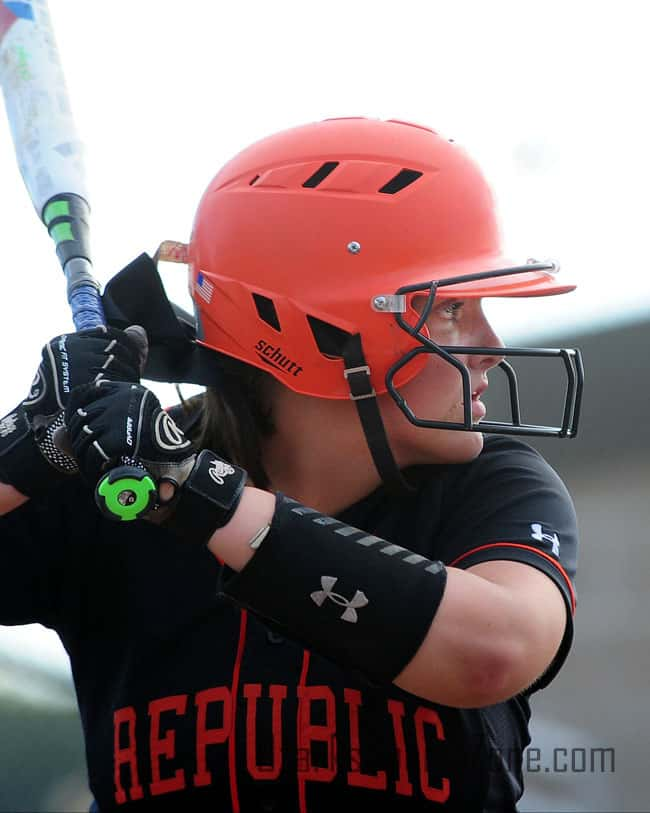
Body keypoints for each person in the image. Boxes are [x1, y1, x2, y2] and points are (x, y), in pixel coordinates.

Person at [0, 117, 583, 812]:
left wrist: (196, 490)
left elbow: (498, 648)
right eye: (451, 310)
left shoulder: (493, 487)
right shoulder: (116, 470)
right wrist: (27, 444)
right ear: (321, 331)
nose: (490, 345)